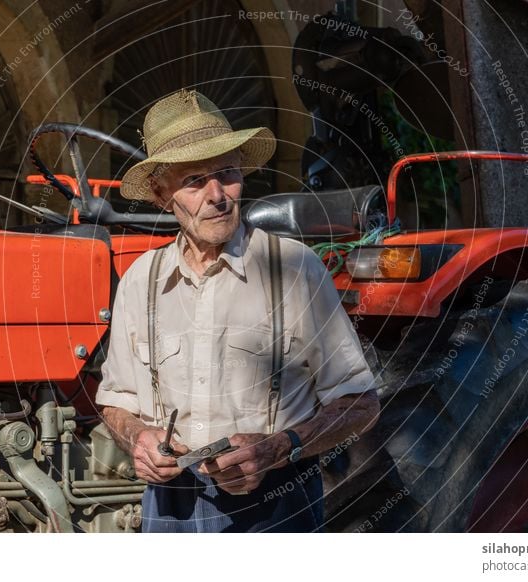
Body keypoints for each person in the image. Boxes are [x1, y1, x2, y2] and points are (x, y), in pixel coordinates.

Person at [96, 89, 379, 532]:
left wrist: (278, 448)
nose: (218, 195)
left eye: (227, 173)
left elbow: (360, 403)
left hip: (277, 500)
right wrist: (137, 439)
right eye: (193, 180)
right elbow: (115, 402)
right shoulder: (140, 280)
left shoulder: (293, 269)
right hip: (170, 509)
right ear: (159, 192)